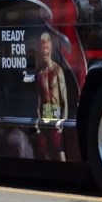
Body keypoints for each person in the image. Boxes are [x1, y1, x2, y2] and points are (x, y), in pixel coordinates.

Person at [33, 32, 68, 161]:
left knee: (61, 156)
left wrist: (62, 123)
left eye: (47, 48)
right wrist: (38, 126)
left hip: (56, 117)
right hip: (45, 119)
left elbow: (65, 101)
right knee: (45, 157)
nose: (45, 52)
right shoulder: (40, 73)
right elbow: (38, 103)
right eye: (43, 49)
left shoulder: (58, 70)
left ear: (51, 49)